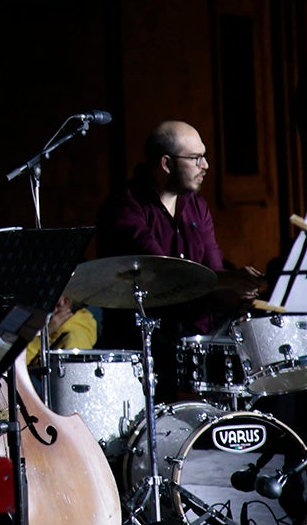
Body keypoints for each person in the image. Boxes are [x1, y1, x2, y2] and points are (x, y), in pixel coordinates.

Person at [94, 119, 265, 403]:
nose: (206, 165)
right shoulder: (124, 208)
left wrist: (237, 291)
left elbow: (214, 271)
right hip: (145, 350)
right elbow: (164, 274)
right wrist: (228, 280)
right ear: (166, 164)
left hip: (198, 344)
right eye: (196, 158)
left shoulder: (197, 207)